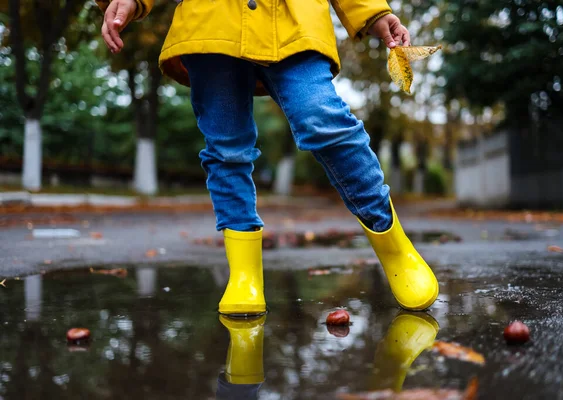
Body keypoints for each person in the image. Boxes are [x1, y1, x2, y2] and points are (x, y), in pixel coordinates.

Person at [97, 0, 439, 314]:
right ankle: (244, 275)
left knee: (323, 118)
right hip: (212, 24)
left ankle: (393, 246)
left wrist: (374, 13)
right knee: (226, 148)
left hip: (294, 22)